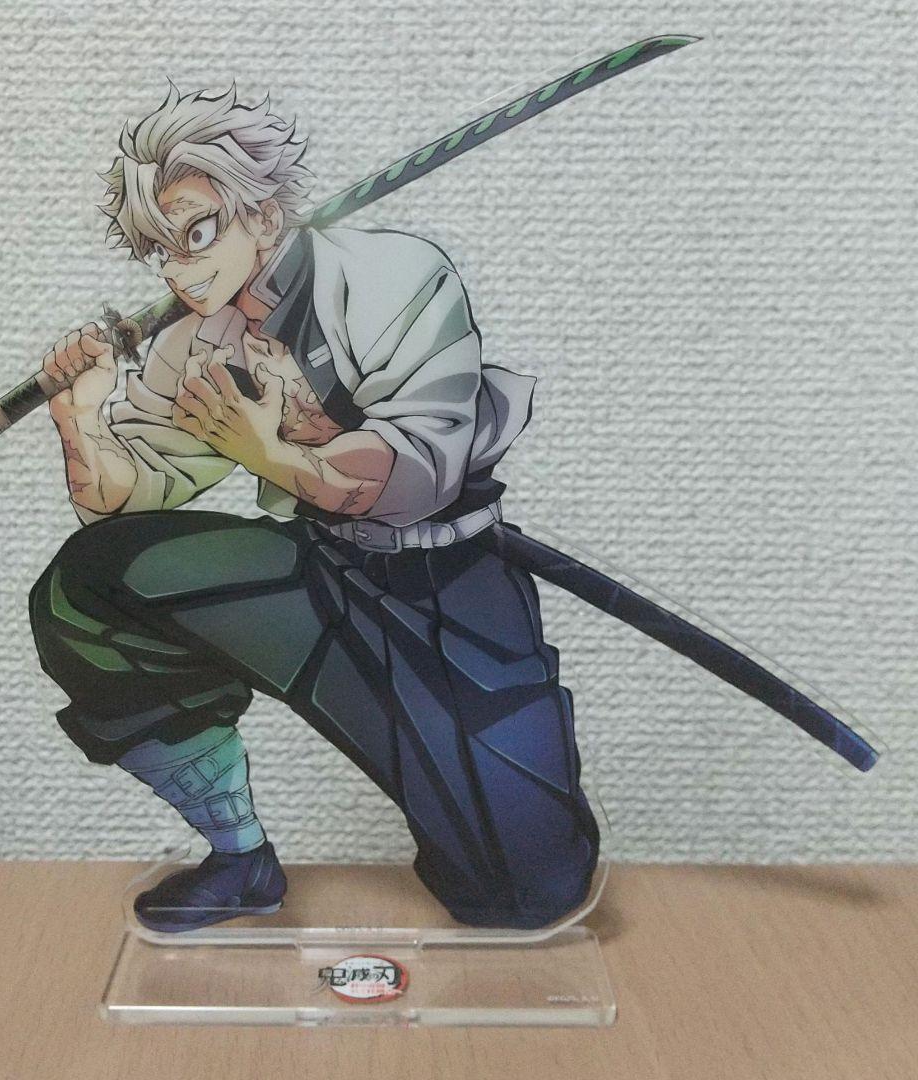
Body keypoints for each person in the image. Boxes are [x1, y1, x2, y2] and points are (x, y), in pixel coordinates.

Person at [29, 84, 600, 931]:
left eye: (196, 234)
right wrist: (79, 417)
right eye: (160, 251)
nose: (179, 271)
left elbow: (421, 471)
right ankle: (239, 857)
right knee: (90, 585)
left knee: (525, 891)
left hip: (451, 582)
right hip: (322, 575)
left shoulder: (392, 277)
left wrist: (273, 455)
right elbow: (127, 497)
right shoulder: (193, 342)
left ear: (263, 214)